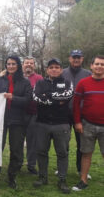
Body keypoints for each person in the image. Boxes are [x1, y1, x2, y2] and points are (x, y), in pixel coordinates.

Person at [0, 55, 32, 188]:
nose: (11, 66)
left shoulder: (25, 82)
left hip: (18, 120)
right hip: (0, 119)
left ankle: (12, 176)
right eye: (8, 64)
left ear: (18, 65)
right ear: (6, 66)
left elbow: (28, 100)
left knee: (17, 150)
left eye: (13, 64)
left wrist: (13, 98)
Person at [33, 58, 73, 194]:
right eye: (51, 67)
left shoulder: (67, 82)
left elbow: (67, 95)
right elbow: (36, 97)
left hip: (61, 124)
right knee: (41, 152)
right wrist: (56, 100)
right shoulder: (39, 83)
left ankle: (62, 180)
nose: (54, 69)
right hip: (42, 124)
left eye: (57, 67)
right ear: (47, 70)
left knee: (62, 153)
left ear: (61, 69)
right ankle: (42, 177)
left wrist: (48, 97)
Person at [72, 55, 104, 191]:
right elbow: (76, 104)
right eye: (97, 64)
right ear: (91, 66)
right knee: (86, 154)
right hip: (87, 124)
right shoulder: (83, 83)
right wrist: (77, 122)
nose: (99, 66)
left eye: (102, 64)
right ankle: (83, 180)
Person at [61, 49, 91, 178]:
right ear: (69, 58)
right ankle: (62, 167)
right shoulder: (62, 73)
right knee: (63, 142)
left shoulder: (88, 74)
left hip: (81, 114)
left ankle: (80, 169)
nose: (76, 59)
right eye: (74, 57)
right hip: (64, 113)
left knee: (81, 143)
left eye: (78, 57)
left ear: (82, 59)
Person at [22, 56, 43, 175]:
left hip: (34, 113)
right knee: (18, 140)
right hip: (20, 113)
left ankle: (31, 164)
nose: (28, 65)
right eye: (26, 63)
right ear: (23, 65)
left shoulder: (39, 78)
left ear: (34, 65)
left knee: (32, 140)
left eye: (31, 63)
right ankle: (17, 162)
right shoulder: (18, 77)